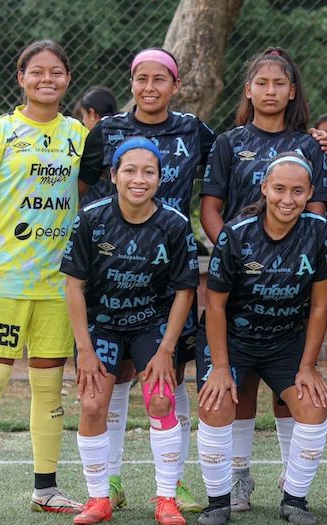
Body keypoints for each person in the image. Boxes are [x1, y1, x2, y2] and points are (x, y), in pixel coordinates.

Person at [0, 40, 87, 521]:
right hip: (0, 283)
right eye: (37, 72)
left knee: (49, 388)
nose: (47, 79)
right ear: (21, 78)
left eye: (56, 72)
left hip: (56, 285)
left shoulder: (78, 135)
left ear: (68, 79)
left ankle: (46, 489)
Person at [77, 47, 216, 513]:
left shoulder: (194, 129)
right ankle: (109, 483)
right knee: (108, 385)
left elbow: (234, 162)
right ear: (131, 82)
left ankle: (173, 485)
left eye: (161, 79)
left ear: (176, 85)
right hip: (113, 277)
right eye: (142, 78)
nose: (150, 87)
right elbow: (82, 185)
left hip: (167, 279)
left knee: (168, 382)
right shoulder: (107, 130)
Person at [198, 47, 327, 513]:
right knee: (236, 390)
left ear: (292, 90)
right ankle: (236, 479)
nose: (270, 91)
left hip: (290, 285)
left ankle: (292, 484)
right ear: (248, 90)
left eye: (279, 83)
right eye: (262, 83)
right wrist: (237, 252)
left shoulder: (309, 145)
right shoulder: (229, 142)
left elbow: (317, 213)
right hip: (238, 280)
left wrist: (286, 255)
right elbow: (210, 208)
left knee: (288, 392)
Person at [62, 138, 199, 525]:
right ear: (114, 175)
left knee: (162, 401)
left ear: (159, 178)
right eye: (130, 170)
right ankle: (98, 499)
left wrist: (166, 350)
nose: (139, 179)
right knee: (92, 405)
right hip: (102, 325)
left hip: (151, 324)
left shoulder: (174, 223)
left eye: (148, 172)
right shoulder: (91, 218)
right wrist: (84, 349)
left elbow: (185, 290)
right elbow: (73, 286)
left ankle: (166, 499)